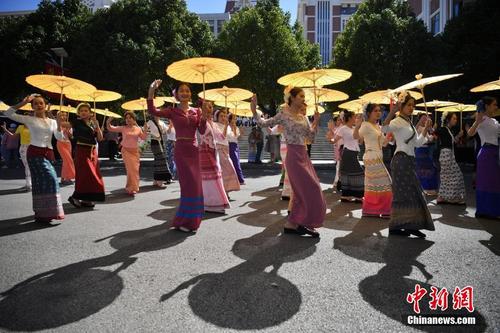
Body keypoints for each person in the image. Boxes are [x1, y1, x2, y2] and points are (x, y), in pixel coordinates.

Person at [251, 88, 325, 237]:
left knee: (310, 189)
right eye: (301, 96)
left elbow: (310, 138)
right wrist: (254, 111)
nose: (304, 98)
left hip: (303, 155)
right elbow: (264, 123)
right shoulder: (283, 114)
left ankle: (293, 223)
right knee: (305, 189)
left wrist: (315, 122)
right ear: (292, 97)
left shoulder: (303, 117)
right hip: (292, 156)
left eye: (304, 96)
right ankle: (297, 222)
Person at [148, 79, 207, 232]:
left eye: (187, 90)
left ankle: (190, 220)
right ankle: (185, 221)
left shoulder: (197, 111)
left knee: (196, 186)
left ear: (190, 94)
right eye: (181, 91)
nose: (185, 93)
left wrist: (205, 116)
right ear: (176, 94)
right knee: (188, 186)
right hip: (181, 150)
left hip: (194, 150)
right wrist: (151, 91)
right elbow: (153, 111)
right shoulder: (172, 111)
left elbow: (201, 130)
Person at [4, 94, 65, 223]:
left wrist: (59, 124)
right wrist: (22, 102)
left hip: (48, 153)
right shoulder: (29, 119)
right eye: (35, 103)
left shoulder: (53, 122)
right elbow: (8, 113)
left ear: (45, 106)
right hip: (34, 152)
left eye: (40, 103)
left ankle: (45, 214)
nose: (38, 105)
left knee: (43, 183)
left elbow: (60, 138)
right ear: (32, 107)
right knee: (49, 178)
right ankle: (44, 213)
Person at [382, 91, 434, 238]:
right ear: (402, 106)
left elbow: (417, 143)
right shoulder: (397, 121)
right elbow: (384, 129)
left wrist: (425, 128)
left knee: (411, 193)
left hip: (409, 161)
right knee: (405, 194)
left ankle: (408, 224)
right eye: (409, 105)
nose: (411, 108)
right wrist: (392, 111)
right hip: (401, 160)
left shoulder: (409, 123)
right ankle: (398, 225)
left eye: (413, 105)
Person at [58, 103, 106, 208]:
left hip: (92, 152)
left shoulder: (92, 123)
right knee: (86, 175)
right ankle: (75, 197)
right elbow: (63, 125)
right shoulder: (76, 122)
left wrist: (97, 125)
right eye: (81, 111)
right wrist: (58, 118)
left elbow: (100, 138)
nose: (83, 112)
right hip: (82, 150)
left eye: (86, 111)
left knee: (91, 175)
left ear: (90, 113)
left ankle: (86, 199)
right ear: (78, 113)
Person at [354, 103, 392, 218]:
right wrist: (356, 126)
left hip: (377, 156)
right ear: (369, 113)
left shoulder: (377, 126)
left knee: (372, 185)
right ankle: (384, 210)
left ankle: (370, 210)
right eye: (375, 110)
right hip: (371, 157)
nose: (379, 113)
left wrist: (388, 137)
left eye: (379, 110)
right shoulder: (365, 125)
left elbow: (383, 144)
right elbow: (357, 137)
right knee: (385, 183)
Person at [467, 96, 500, 219]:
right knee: (486, 183)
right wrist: (477, 121)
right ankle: (483, 211)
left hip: (495, 153)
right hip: (486, 153)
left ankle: (493, 210)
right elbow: (470, 133)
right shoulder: (482, 119)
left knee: (495, 182)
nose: (496, 107)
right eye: (494, 104)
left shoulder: (495, 121)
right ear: (487, 106)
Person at [198, 101, 230, 213]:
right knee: (209, 178)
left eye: (211, 107)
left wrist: (226, 125)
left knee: (215, 177)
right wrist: (202, 116)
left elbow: (221, 137)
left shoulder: (213, 123)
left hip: (213, 151)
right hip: (204, 151)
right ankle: (210, 203)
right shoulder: (201, 121)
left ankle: (215, 203)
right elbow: (201, 129)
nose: (209, 109)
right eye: (206, 107)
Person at [106, 112, 148, 196]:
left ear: (134, 119)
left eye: (130, 118)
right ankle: (130, 188)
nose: (128, 119)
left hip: (135, 152)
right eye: (127, 118)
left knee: (135, 170)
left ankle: (134, 187)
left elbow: (143, 138)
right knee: (130, 170)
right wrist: (108, 122)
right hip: (126, 151)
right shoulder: (123, 128)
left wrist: (145, 130)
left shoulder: (138, 129)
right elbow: (110, 128)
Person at [333, 111, 364, 202]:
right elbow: (334, 140)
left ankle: (346, 195)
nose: (356, 119)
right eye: (355, 117)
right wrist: (330, 138)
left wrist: (359, 129)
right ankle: (355, 196)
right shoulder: (343, 128)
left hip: (354, 153)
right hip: (348, 153)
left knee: (349, 173)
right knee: (358, 173)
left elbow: (360, 142)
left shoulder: (355, 128)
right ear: (350, 118)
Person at [436, 111, 466, 205]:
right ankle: (450, 197)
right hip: (446, 155)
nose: (456, 120)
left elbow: (452, 142)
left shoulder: (450, 130)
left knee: (447, 177)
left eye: (456, 118)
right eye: (454, 118)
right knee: (455, 175)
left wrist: (458, 136)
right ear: (448, 120)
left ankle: (442, 197)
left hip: (449, 154)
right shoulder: (443, 129)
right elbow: (437, 134)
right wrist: (433, 128)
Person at [214, 109, 240, 194]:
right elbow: (222, 137)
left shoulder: (228, 126)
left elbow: (233, 137)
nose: (223, 118)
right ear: (217, 117)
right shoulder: (214, 125)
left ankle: (226, 190)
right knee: (222, 171)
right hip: (218, 149)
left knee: (229, 170)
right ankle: (222, 191)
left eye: (225, 116)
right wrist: (226, 126)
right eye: (221, 116)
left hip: (226, 149)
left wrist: (233, 127)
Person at [2, 121, 31, 190]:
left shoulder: (33, 126)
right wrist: (5, 129)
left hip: (32, 147)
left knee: (29, 166)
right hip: (23, 147)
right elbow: (13, 136)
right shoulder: (20, 127)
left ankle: (29, 184)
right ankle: (28, 184)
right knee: (27, 166)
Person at [415, 114, 439, 195]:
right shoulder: (419, 127)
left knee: (425, 170)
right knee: (427, 169)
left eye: (426, 118)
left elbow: (429, 138)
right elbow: (427, 139)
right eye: (423, 118)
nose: (425, 120)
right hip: (421, 150)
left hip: (424, 150)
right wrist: (432, 135)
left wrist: (432, 132)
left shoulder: (424, 128)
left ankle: (424, 188)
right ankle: (426, 188)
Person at [147, 115, 172, 187]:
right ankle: (160, 181)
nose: (157, 115)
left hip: (161, 142)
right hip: (154, 142)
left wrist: (171, 124)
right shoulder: (150, 122)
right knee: (161, 160)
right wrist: (145, 128)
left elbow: (168, 132)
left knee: (158, 160)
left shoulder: (162, 123)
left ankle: (156, 180)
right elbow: (145, 131)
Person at [55, 111, 75, 186]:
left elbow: (72, 137)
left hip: (68, 144)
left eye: (65, 116)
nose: (63, 117)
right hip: (60, 143)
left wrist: (68, 131)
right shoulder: (57, 123)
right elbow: (56, 133)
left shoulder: (68, 125)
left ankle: (64, 177)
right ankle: (67, 178)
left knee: (66, 161)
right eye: (61, 115)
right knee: (68, 160)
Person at [227, 113, 245, 185]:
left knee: (236, 162)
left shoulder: (236, 128)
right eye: (233, 118)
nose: (235, 120)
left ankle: (240, 179)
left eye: (235, 118)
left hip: (235, 145)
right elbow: (230, 136)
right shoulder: (227, 127)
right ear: (230, 119)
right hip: (228, 145)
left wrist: (241, 133)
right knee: (232, 163)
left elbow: (237, 137)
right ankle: (236, 179)